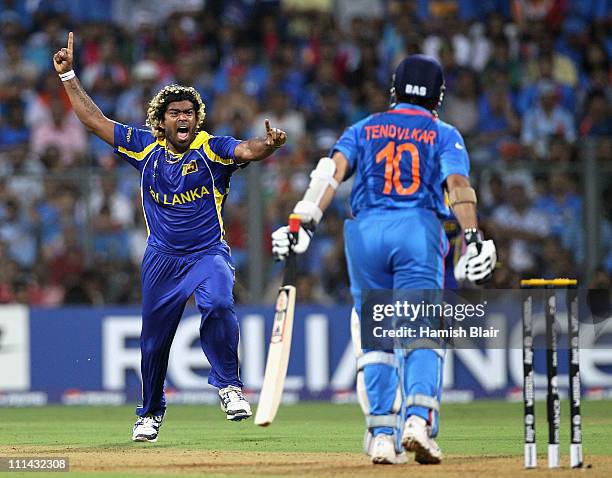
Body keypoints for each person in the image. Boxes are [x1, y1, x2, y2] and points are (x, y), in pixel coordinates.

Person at [53, 33, 287, 442]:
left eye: (189, 113)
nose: (183, 118)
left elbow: (247, 150)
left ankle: (229, 387)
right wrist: (69, 74)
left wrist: (267, 145)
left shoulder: (211, 149)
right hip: (161, 258)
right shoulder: (145, 147)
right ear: (160, 120)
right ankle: (149, 413)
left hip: (206, 253)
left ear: (197, 119)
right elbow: (93, 121)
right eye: (175, 113)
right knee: (153, 344)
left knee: (217, 301)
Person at [272, 54, 496, 465]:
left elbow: (330, 173)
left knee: (375, 337)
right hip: (415, 229)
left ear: (394, 91)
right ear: (438, 95)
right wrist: (471, 237)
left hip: (365, 232)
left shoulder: (363, 127)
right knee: (422, 330)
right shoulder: (443, 133)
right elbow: (458, 185)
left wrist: (302, 221)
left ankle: (380, 435)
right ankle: (417, 420)